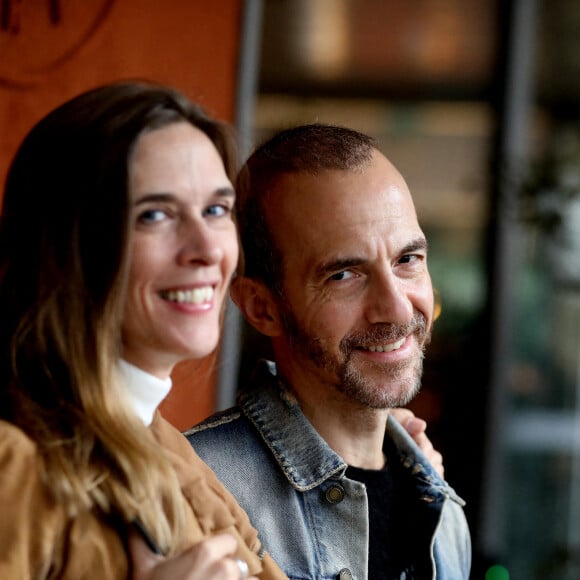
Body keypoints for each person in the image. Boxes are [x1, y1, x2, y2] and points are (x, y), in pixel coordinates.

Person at [0, 81, 286, 579]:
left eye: (217, 210)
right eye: (155, 215)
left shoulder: (166, 448)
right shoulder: (13, 461)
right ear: (68, 246)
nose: (206, 247)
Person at [186, 124, 472, 579]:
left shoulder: (444, 517)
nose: (396, 308)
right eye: (344, 275)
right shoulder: (195, 494)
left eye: (407, 260)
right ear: (263, 308)